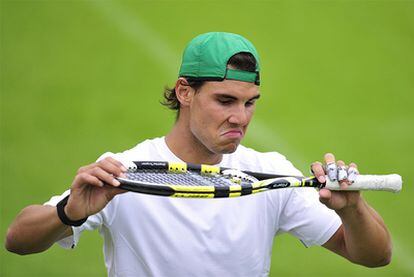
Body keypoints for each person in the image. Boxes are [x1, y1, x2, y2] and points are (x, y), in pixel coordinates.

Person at [5, 32, 392, 276]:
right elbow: (17, 239)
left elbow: (374, 256)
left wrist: (351, 209)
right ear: (185, 92)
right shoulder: (125, 171)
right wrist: (68, 212)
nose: (240, 118)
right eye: (225, 100)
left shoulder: (270, 171)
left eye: (250, 103)